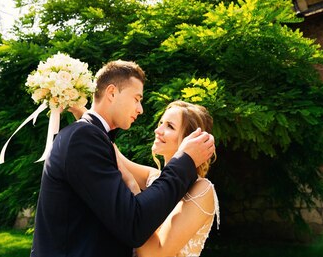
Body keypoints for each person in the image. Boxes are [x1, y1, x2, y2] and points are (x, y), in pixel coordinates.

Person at [30, 60, 215, 257]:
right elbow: (134, 223)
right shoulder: (84, 137)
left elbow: (116, 154)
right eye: (136, 98)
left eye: (169, 126)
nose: (141, 109)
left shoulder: (88, 136)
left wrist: (82, 112)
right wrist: (185, 158)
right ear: (111, 93)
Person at [118, 100, 219, 257]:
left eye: (170, 126)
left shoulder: (201, 189)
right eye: (161, 123)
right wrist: (78, 103)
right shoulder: (156, 178)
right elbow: (114, 157)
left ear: (188, 140)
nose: (158, 130)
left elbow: (153, 254)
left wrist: (133, 188)